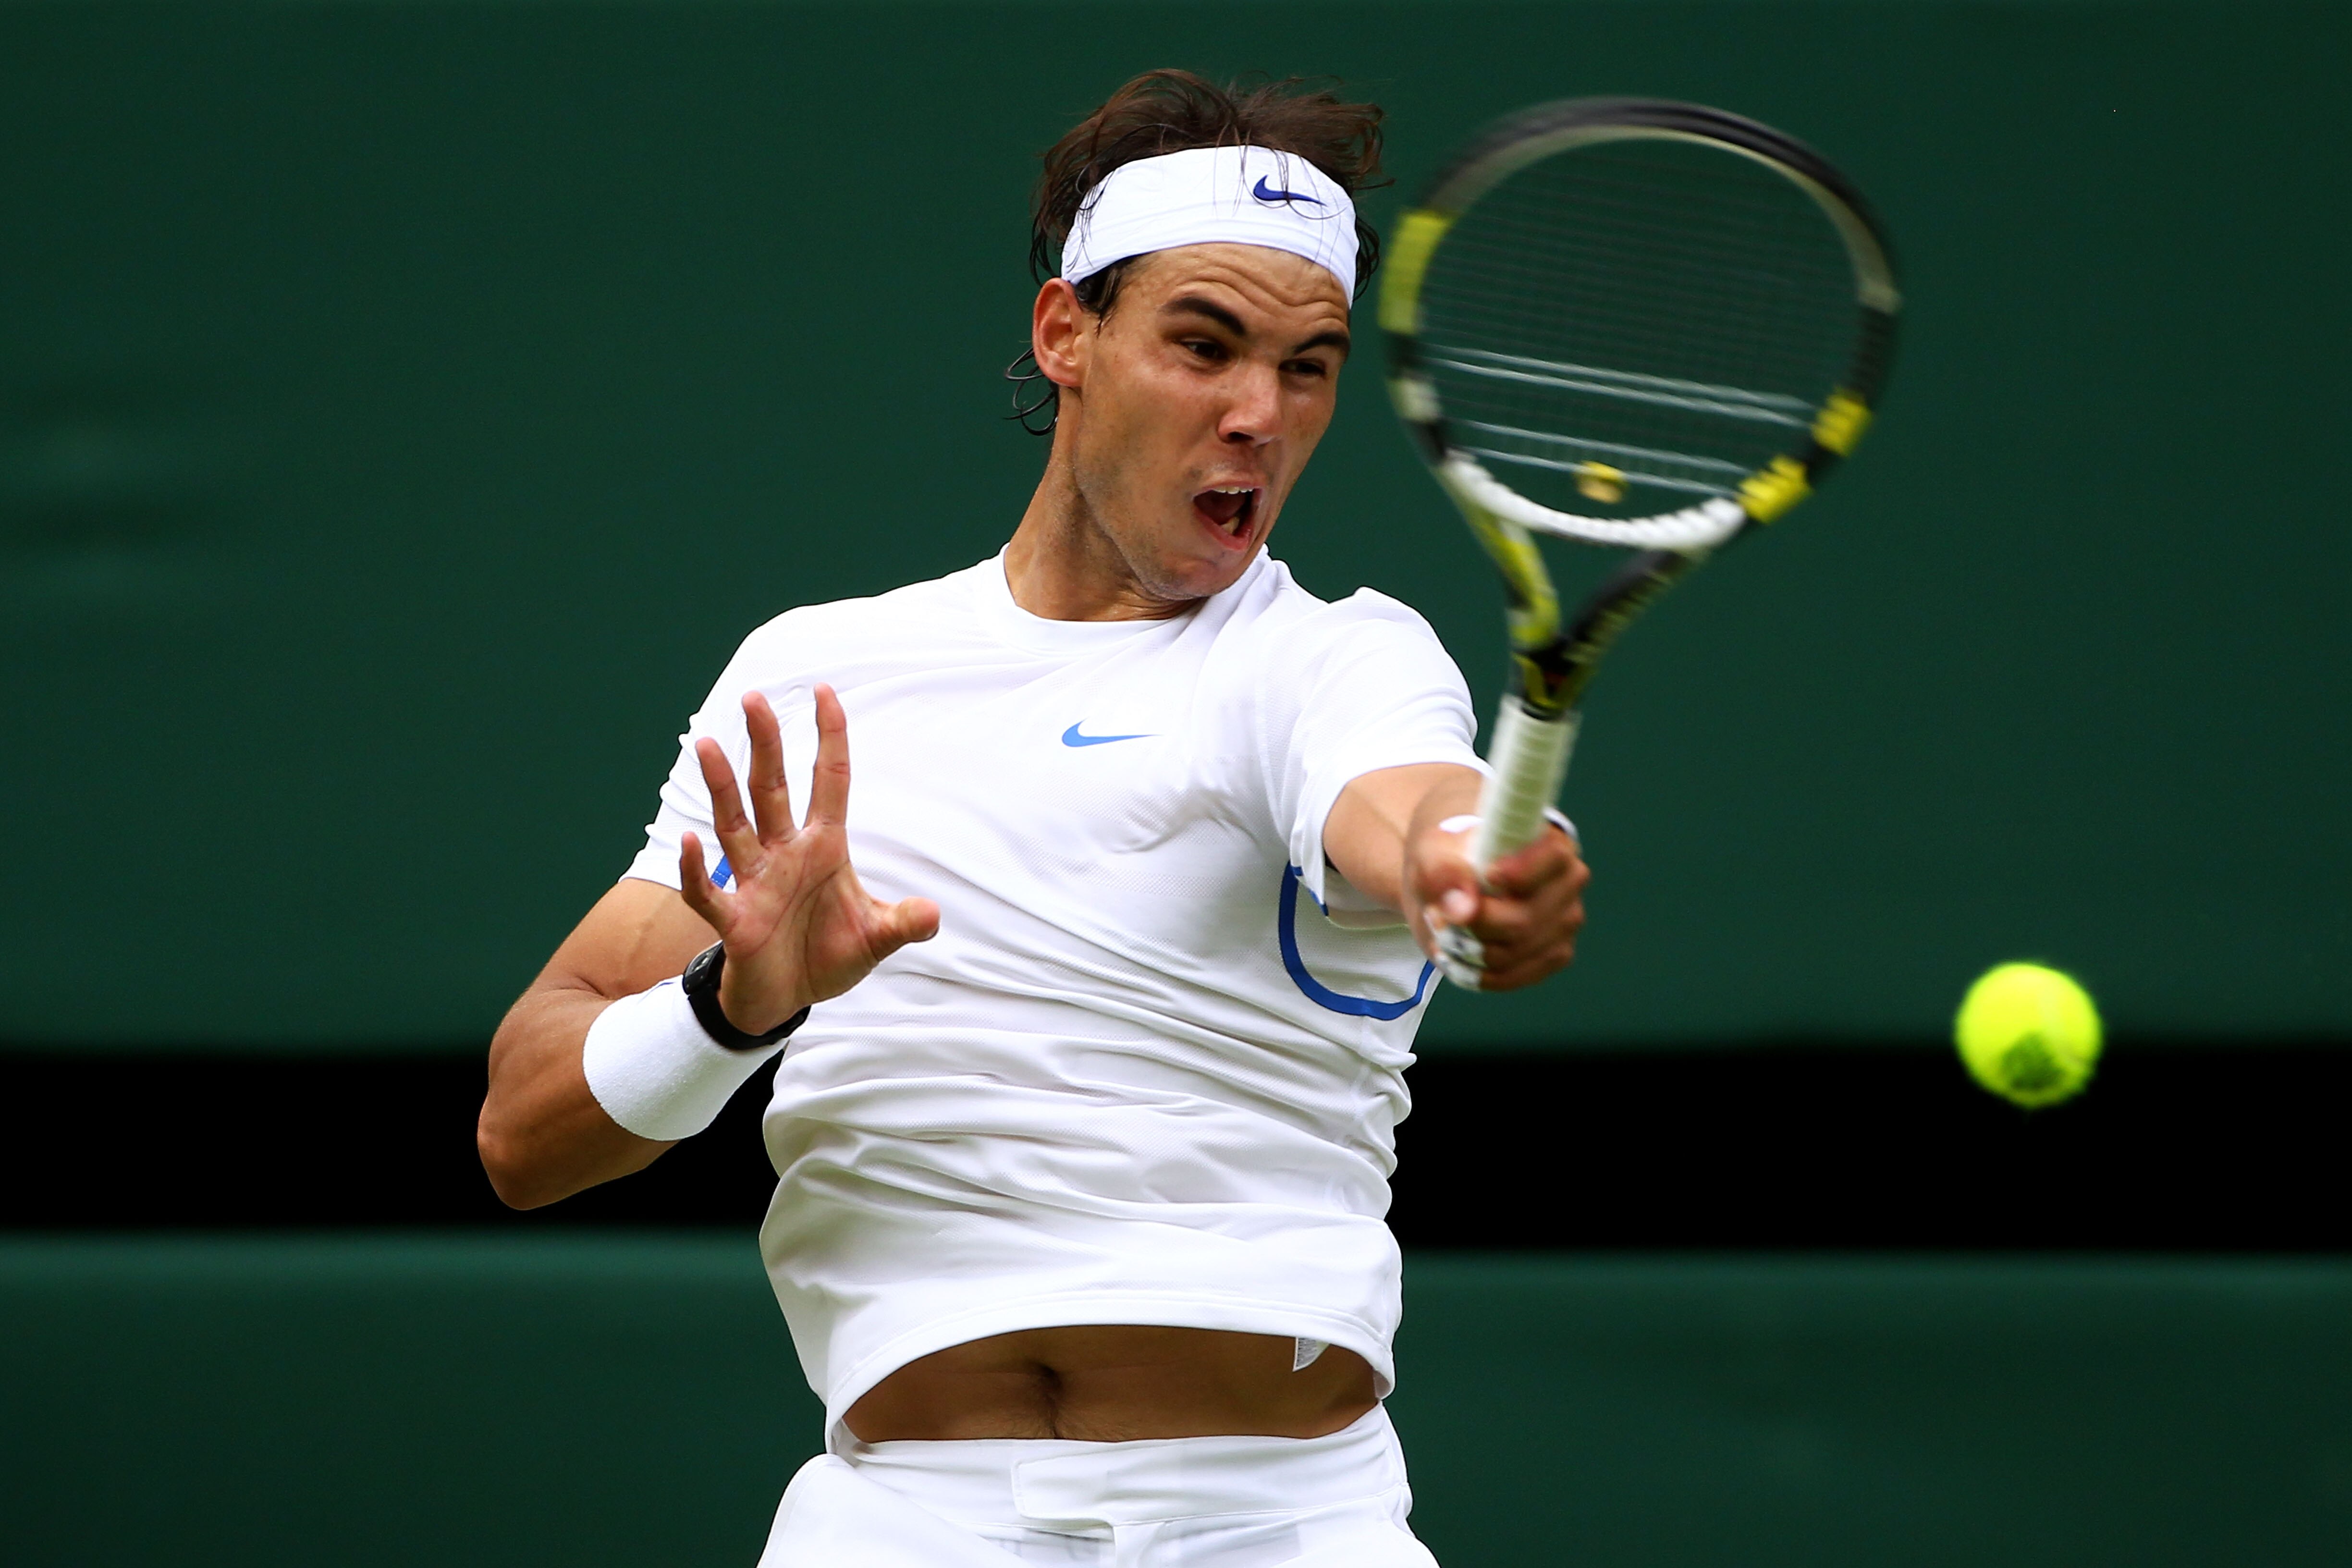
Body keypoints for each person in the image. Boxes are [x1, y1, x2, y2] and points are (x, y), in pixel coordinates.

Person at [478, 69, 1588, 1567]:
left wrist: (1465, 872)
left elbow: (1404, 808)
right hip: (897, 1521)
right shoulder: (818, 680)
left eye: (1308, 366)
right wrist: (734, 1006)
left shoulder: (1337, 660)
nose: (1258, 414)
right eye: (1205, 345)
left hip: (1278, 1530)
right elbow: (521, 1136)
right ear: (1067, 334)